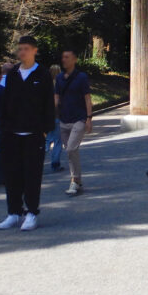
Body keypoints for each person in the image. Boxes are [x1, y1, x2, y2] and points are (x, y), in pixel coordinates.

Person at [0, 36, 55, 232]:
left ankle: (31, 212)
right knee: (12, 175)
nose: (22, 52)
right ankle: (13, 212)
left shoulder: (43, 74)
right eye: (20, 49)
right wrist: (4, 127)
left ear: (34, 50)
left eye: (26, 49)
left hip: (34, 133)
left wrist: (45, 130)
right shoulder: (12, 74)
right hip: (12, 133)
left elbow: (48, 104)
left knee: (32, 175)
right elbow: (6, 102)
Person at [55, 50, 92, 196]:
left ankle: (74, 181)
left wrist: (89, 118)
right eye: (62, 57)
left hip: (79, 118)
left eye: (67, 57)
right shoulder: (59, 78)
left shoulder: (81, 77)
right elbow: (56, 98)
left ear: (74, 59)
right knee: (71, 152)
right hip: (64, 119)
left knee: (71, 149)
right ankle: (78, 181)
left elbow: (87, 98)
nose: (64, 60)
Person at [45, 63, 64, 173]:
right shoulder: (61, 86)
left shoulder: (45, 86)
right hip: (58, 116)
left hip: (47, 117)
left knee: (46, 141)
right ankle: (55, 164)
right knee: (57, 141)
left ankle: (37, 163)